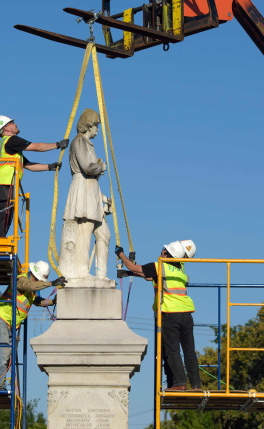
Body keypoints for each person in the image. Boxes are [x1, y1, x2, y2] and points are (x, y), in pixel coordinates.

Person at [115, 240, 201, 391]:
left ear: (167, 254)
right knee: (189, 351)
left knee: (172, 350)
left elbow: (133, 266)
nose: (161, 251)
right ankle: (196, 385)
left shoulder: (159, 265)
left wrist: (120, 253)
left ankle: (180, 383)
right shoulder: (180, 268)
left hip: (170, 314)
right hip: (187, 314)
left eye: (164, 250)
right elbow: (149, 276)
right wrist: (129, 274)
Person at [0, 260, 67, 389]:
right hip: (1, 319)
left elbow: (37, 300)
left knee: (7, 358)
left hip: (9, 325)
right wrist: (51, 283)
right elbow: (29, 286)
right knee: (3, 356)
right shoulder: (20, 280)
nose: (38, 282)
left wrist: (52, 302)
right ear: (33, 275)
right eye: (38, 279)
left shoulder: (30, 290)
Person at [0, 115, 69, 237]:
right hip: (4, 185)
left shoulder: (12, 148)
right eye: (12, 123)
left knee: (6, 217)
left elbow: (28, 165)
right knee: (4, 217)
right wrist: (57, 145)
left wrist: (49, 167)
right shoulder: (11, 140)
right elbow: (36, 147)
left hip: (1, 186)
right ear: (6, 128)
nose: (15, 124)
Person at [60, 108, 111, 279]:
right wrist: (101, 166)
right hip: (82, 189)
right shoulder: (79, 142)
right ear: (89, 126)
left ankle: (101, 274)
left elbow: (92, 178)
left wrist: (103, 199)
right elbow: (88, 168)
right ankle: (82, 271)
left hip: (91, 190)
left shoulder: (87, 143)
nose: (97, 129)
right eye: (96, 125)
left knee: (104, 234)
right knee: (84, 232)